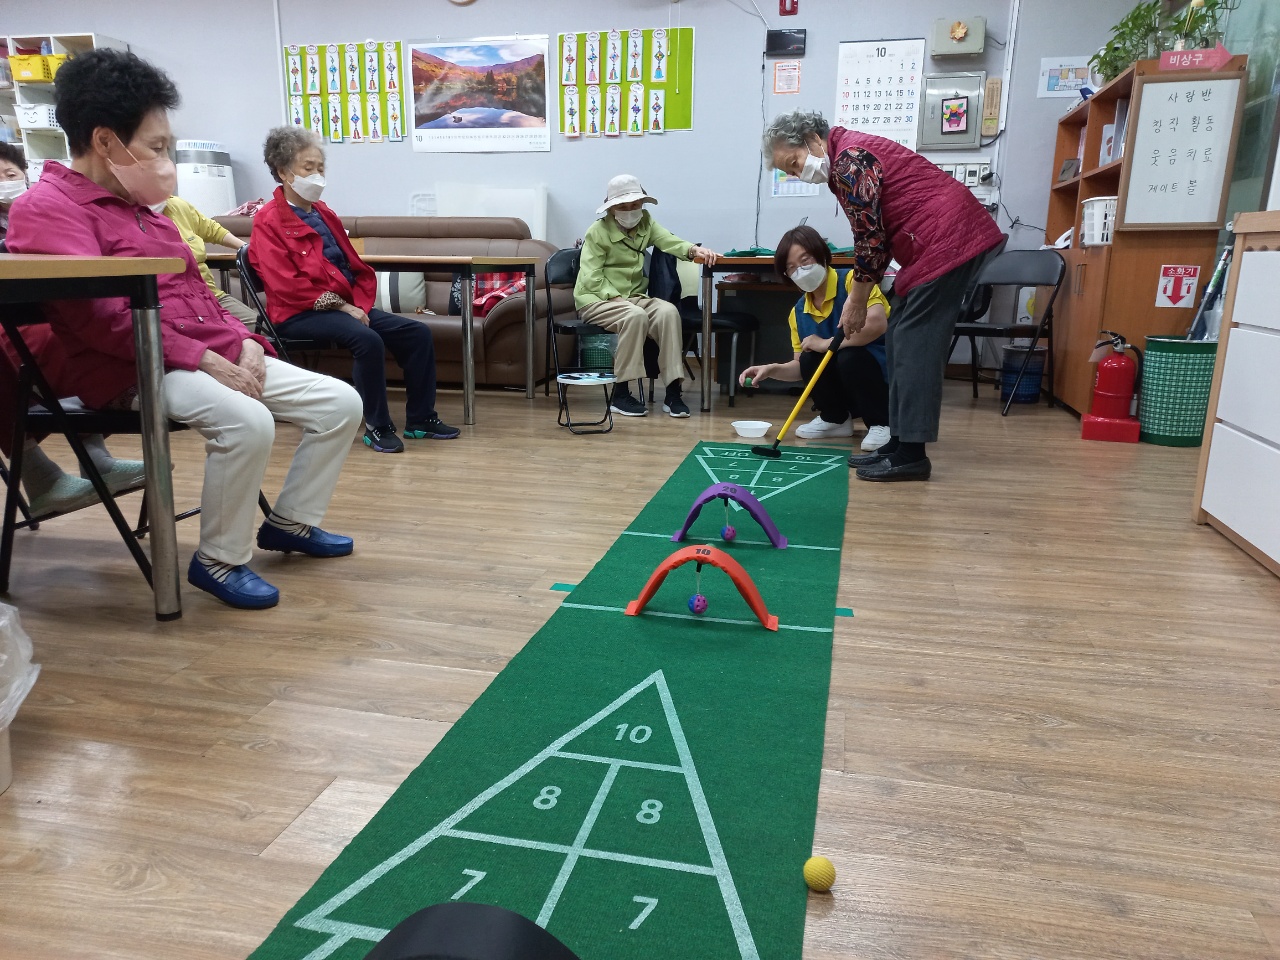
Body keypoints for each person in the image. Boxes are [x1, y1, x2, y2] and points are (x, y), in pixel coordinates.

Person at [5, 49, 364, 610]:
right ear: (105, 141)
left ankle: (289, 523)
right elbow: (97, 322)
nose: (165, 160)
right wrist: (206, 359)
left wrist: (246, 342)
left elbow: (201, 295)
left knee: (340, 403)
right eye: (157, 147)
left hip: (199, 353)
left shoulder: (144, 210)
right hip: (129, 366)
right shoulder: (47, 209)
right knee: (247, 421)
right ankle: (219, 558)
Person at [764, 110, 1005, 481]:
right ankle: (898, 442)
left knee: (915, 345)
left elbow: (870, 239)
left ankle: (912, 454)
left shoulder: (849, 159)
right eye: (790, 172)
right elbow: (876, 237)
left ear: (812, 139)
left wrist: (856, 300)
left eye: (794, 163)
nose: (798, 174)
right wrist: (860, 295)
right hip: (932, 246)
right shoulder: (844, 159)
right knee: (901, 340)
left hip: (949, 240)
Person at [249, 126, 457, 454]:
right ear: (283, 172)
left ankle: (421, 419)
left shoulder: (323, 212)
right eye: (308, 168)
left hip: (343, 307)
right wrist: (345, 308)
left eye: (320, 168)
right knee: (367, 339)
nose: (317, 175)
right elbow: (286, 286)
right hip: (297, 313)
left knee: (416, 334)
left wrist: (355, 304)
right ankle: (377, 426)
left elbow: (350, 266)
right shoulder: (268, 221)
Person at [0, 141, 146, 516]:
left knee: (82, 327)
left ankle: (94, 458)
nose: (5, 182)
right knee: (71, 337)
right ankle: (42, 473)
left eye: (10, 173)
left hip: (41, 315)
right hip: (12, 326)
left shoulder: (45, 208)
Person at [574, 174, 720, 418]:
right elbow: (591, 276)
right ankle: (621, 394)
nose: (630, 211)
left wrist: (694, 250)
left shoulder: (646, 223)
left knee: (668, 312)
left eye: (635, 205)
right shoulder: (597, 232)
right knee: (634, 316)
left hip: (633, 297)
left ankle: (673, 392)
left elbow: (667, 240)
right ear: (611, 208)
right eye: (623, 206)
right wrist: (615, 299)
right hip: (596, 298)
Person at [739, 225, 891, 452]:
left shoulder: (853, 281)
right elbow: (801, 367)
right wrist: (771, 369)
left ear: (822, 255)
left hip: (879, 377)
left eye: (805, 260)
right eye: (791, 268)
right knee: (809, 358)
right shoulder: (798, 312)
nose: (800, 271)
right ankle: (836, 419)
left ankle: (882, 423)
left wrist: (825, 343)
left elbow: (877, 323)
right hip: (844, 386)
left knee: (849, 355)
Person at [154, 194, 259, 325]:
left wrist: (247, 249)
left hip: (210, 296)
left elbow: (212, 230)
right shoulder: (133, 220)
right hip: (174, 303)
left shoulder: (177, 205)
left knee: (263, 328)